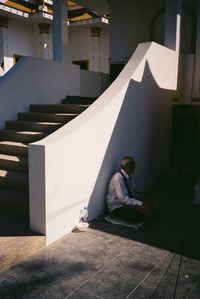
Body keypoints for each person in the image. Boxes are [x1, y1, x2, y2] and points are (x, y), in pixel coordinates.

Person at [106, 156, 158, 223]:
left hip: (126, 203)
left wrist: (142, 199)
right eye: (133, 166)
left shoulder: (128, 176)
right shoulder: (118, 178)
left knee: (150, 204)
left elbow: (131, 193)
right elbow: (124, 199)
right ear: (128, 168)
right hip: (117, 207)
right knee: (138, 217)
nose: (135, 168)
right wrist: (141, 204)